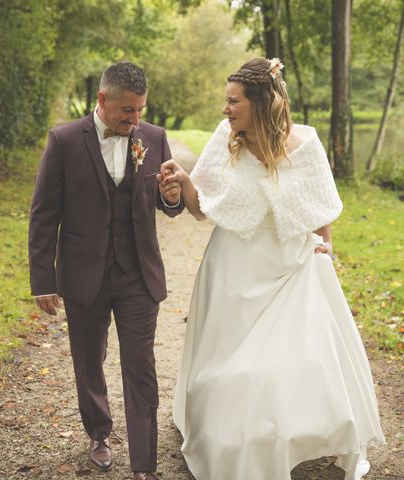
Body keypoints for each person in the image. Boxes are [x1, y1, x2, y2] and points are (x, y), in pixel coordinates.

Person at [161, 57, 386, 480]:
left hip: (289, 268)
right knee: (227, 369)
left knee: (294, 361)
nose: (225, 109)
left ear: (260, 101)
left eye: (233, 101)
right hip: (231, 271)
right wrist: (183, 182)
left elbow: (320, 204)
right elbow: (199, 209)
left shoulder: (306, 143)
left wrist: (327, 247)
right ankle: (228, 434)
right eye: (226, 101)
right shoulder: (225, 140)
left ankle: (287, 434)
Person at [28, 62, 184, 480]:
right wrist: (43, 279)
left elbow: (168, 202)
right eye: (127, 112)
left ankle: (144, 465)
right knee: (89, 361)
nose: (135, 121)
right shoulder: (63, 141)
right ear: (102, 100)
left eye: (140, 111)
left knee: (140, 365)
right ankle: (98, 433)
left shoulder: (153, 138)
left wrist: (171, 198)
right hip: (83, 275)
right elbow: (44, 214)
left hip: (138, 275)